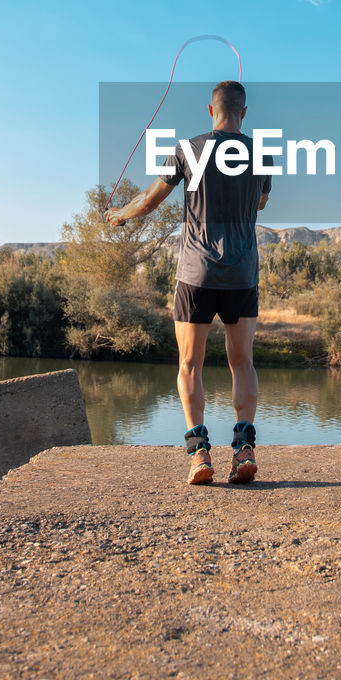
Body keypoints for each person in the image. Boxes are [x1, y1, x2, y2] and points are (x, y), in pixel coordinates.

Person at [104, 80, 271, 486]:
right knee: (242, 363)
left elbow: (149, 201)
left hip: (196, 274)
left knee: (189, 364)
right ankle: (244, 448)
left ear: (209, 110)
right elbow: (261, 201)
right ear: (244, 112)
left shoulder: (188, 150)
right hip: (242, 274)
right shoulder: (262, 155)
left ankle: (199, 456)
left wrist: (118, 216)